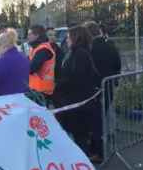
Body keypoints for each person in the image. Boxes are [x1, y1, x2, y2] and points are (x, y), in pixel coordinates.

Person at [53, 25, 99, 157]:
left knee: (79, 135)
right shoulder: (76, 53)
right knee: (78, 134)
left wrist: (57, 85)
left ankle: (82, 163)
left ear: (75, 38)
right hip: (75, 101)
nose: (66, 40)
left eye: (68, 37)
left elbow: (74, 78)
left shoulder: (80, 55)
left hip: (78, 102)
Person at [86, 21, 122, 161]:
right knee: (102, 117)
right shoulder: (111, 47)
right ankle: (100, 150)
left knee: (95, 122)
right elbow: (118, 65)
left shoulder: (89, 50)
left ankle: (97, 151)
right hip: (108, 87)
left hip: (94, 90)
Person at [27, 24, 56, 107]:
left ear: (37, 35)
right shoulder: (37, 47)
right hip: (36, 88)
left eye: (30, 34)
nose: (28, 36)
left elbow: (32, 68)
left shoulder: (43, 49)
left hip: (42, 89)